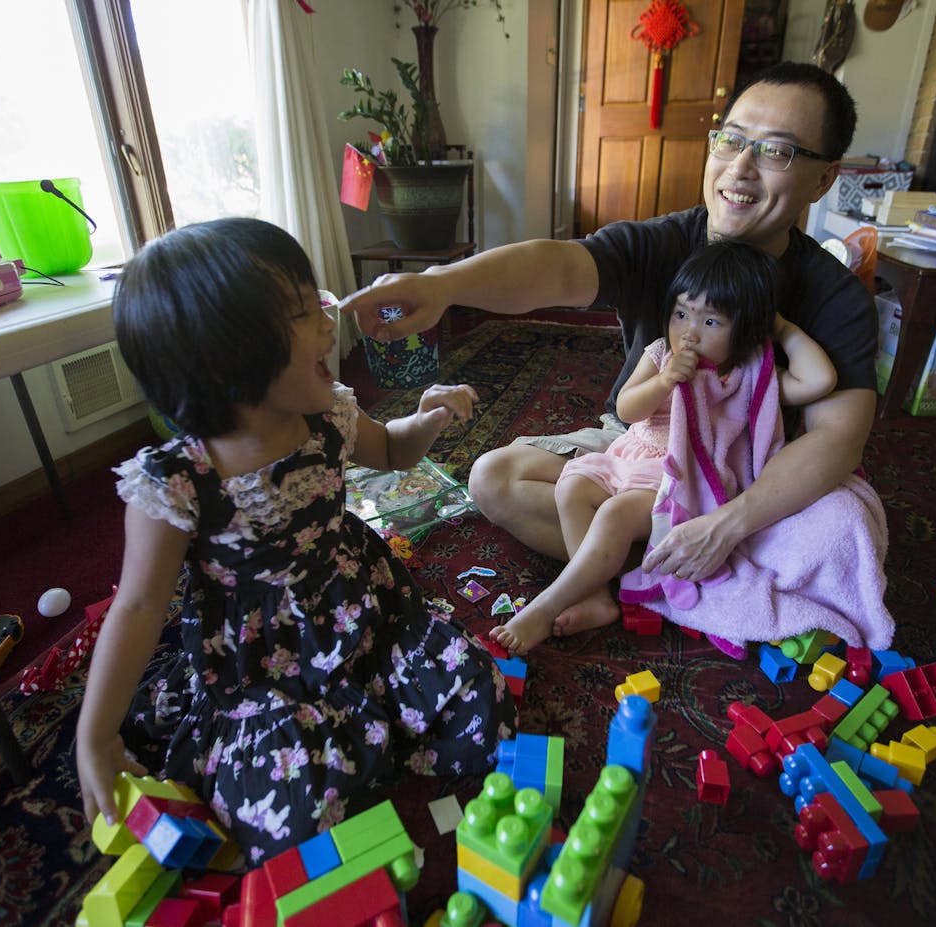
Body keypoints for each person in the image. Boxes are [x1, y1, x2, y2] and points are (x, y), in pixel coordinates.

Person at [341, 62, 877, 639]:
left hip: (745, 475)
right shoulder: (667, 240)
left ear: (824, 179)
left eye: (777, 152)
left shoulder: (836, 297)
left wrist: (727, 522)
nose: (740, 168)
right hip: (645, 446)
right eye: (731, 140)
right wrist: (444, 284)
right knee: (493, 478)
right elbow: (560, 266)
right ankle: (654, 569)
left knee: (843, 524)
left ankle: (666, 559)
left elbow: (836, 438)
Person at [75, 218, 516, 865]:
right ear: (225, 361)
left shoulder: (329, 413)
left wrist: (428, 417)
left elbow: (391, 448)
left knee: (483, 700)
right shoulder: (175, 483)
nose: (329, 322)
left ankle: (372, 723)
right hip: (263, 669)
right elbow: (138, 607)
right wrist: (96, 730)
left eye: (319, 301)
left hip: (366, 617)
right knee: (290, 814)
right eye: (304, 313)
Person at [489, 240, 836, 655]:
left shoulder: (745, 378)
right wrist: (663, 381)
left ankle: (547, 606)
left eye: (711, 322)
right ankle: (596, 593)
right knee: (571, 487)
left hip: (679, 477)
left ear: (745, 330)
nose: (689, 331)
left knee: (616, 514)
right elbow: (627, 408)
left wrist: (780, 328)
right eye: (682, 313)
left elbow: (819, 381)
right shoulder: (660, 354)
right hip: (630, 454)